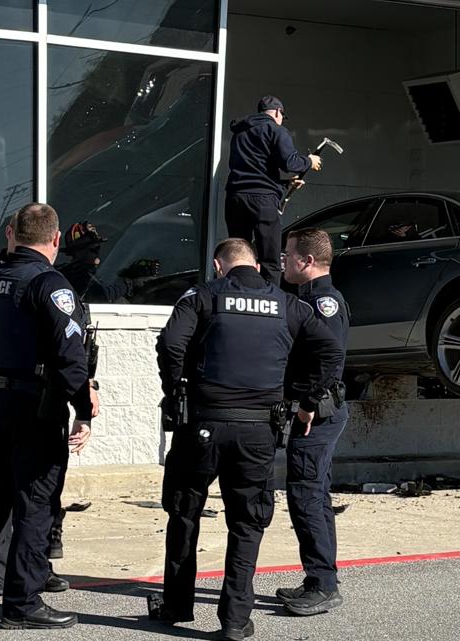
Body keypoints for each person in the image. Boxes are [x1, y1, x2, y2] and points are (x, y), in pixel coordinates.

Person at [153, 238, 342, 640]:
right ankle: (235, 620)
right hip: (258, 431)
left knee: (185, 513)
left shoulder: (203, 296)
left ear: (220, 266)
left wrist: (177, 390)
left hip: (201, 425)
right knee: (246, 523)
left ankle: (176, 605)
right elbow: (330, 351)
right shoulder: (288, 305)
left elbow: (170, 343)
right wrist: (302, 398)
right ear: (255, 266)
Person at [0, 203, 93, 629]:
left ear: (14, 233)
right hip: (33, 405)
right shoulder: (50, 283)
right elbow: (70, 357)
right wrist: (84, 409)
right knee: (36, 504)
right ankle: (23, 604)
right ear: (56, 239)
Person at [275, 229, 351, 616]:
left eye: (288, 254)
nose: (283, 260)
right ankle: (319, 579)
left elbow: (330, 359)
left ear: (307, 261)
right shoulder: (305, 299)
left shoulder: (323, 303)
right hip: (315, 413)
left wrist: (306, 405)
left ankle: (322, 584)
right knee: (314, 494)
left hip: (316, 416)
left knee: (305, 495)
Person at [224, 95, 322, 285]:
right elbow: (290, 162)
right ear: (278, 112)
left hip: (235, 198)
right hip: (263, 201)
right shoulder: (276, 130)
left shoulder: (240, 132)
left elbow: (254, 169)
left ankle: (235, 293)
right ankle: (270, 301)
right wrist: (310, 160)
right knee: (269, 257)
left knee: (238, 254)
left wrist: (285, 184)